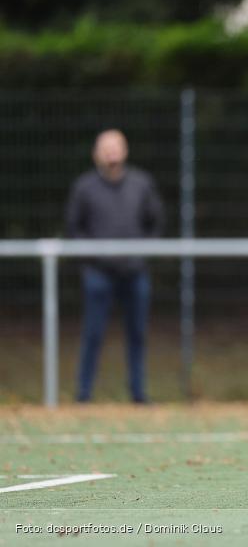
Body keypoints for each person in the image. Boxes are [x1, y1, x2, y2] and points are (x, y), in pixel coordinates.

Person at [66, 129, 165, 404]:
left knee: (137, 334)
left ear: (125, 150)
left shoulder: (141, 184)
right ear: (96, 153)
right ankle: (83, 395)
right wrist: (94, 258)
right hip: (98, 274)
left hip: (135, 273)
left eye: (116, 147)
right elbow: (74, 228)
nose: (111, 153)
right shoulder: (84, 187)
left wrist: (141, 255)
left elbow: (155, 222)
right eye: (105, 148)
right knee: (93, 334)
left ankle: (138, 393)